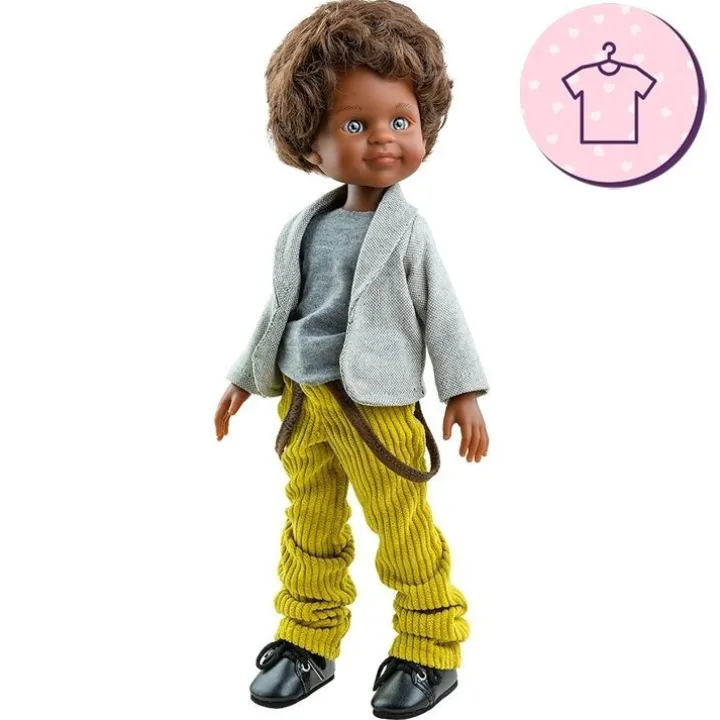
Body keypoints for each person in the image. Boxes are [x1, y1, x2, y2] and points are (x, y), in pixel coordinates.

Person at [214, 1, 491, 716]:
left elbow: (442, 312)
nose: (384, 141)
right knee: (309, 525)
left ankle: (430, 646)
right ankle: (307, 639)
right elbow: (280, 309)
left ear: (425, 125)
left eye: (401, 120)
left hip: (378, 408)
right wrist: (244, 378)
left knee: (402, 528)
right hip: (305, 403)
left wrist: (462, 391)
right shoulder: (302, 228)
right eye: (356, 125)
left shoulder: (408, 232)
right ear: (309, 142)